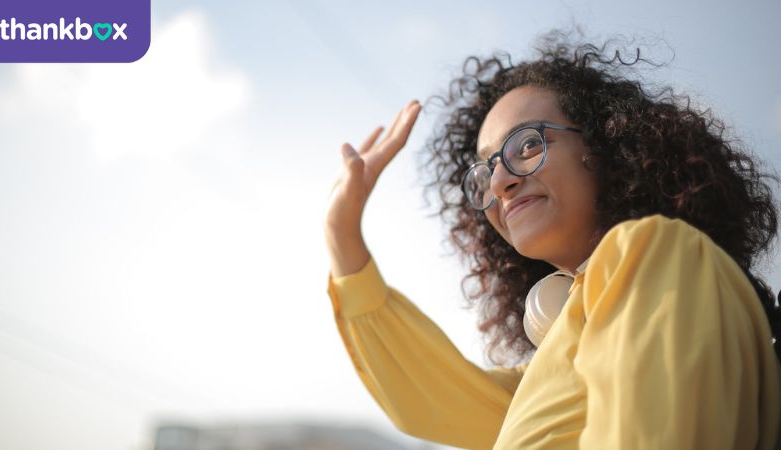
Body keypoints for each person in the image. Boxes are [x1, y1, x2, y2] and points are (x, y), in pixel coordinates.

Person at [323, 31, 781, 449]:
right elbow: (427, 394)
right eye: (485, 170)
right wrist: (341, 232)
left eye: (526, 144)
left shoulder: (661, 251)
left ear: (605, 147)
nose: (499, 181)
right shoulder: (557, 366)